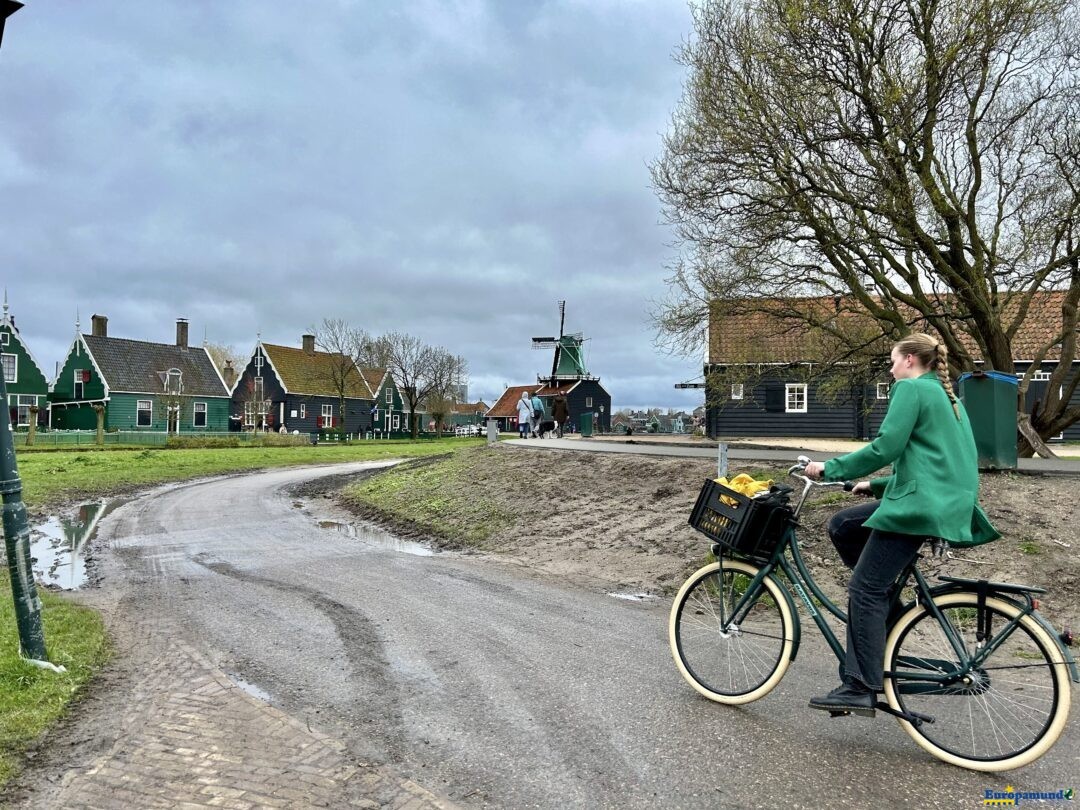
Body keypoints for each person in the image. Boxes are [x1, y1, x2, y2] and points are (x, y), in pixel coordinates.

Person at [803, 333, 998, 715]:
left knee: (864, 589)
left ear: (910, 359)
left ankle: (859, 686)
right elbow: (935, 462)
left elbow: (886, 447)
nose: (890, 369)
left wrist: (829, 468)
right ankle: (887, 617)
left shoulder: (911, 390)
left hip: (922, 505)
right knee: (843, 525)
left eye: (893, 361)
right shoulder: (949, 397)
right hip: (944, 500)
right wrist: (872, 484)